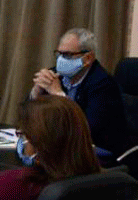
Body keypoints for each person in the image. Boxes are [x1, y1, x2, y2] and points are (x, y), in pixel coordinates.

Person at [30, 27, 130, 157]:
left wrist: (58, 94)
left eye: (67, 55)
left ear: (88, 58)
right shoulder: (55, 74)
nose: (60, 60)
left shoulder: (104, 84)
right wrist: (35, 93)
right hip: (59, 146)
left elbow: (86, 130)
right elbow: (27, 118)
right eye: (59, 54)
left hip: (94, 152)